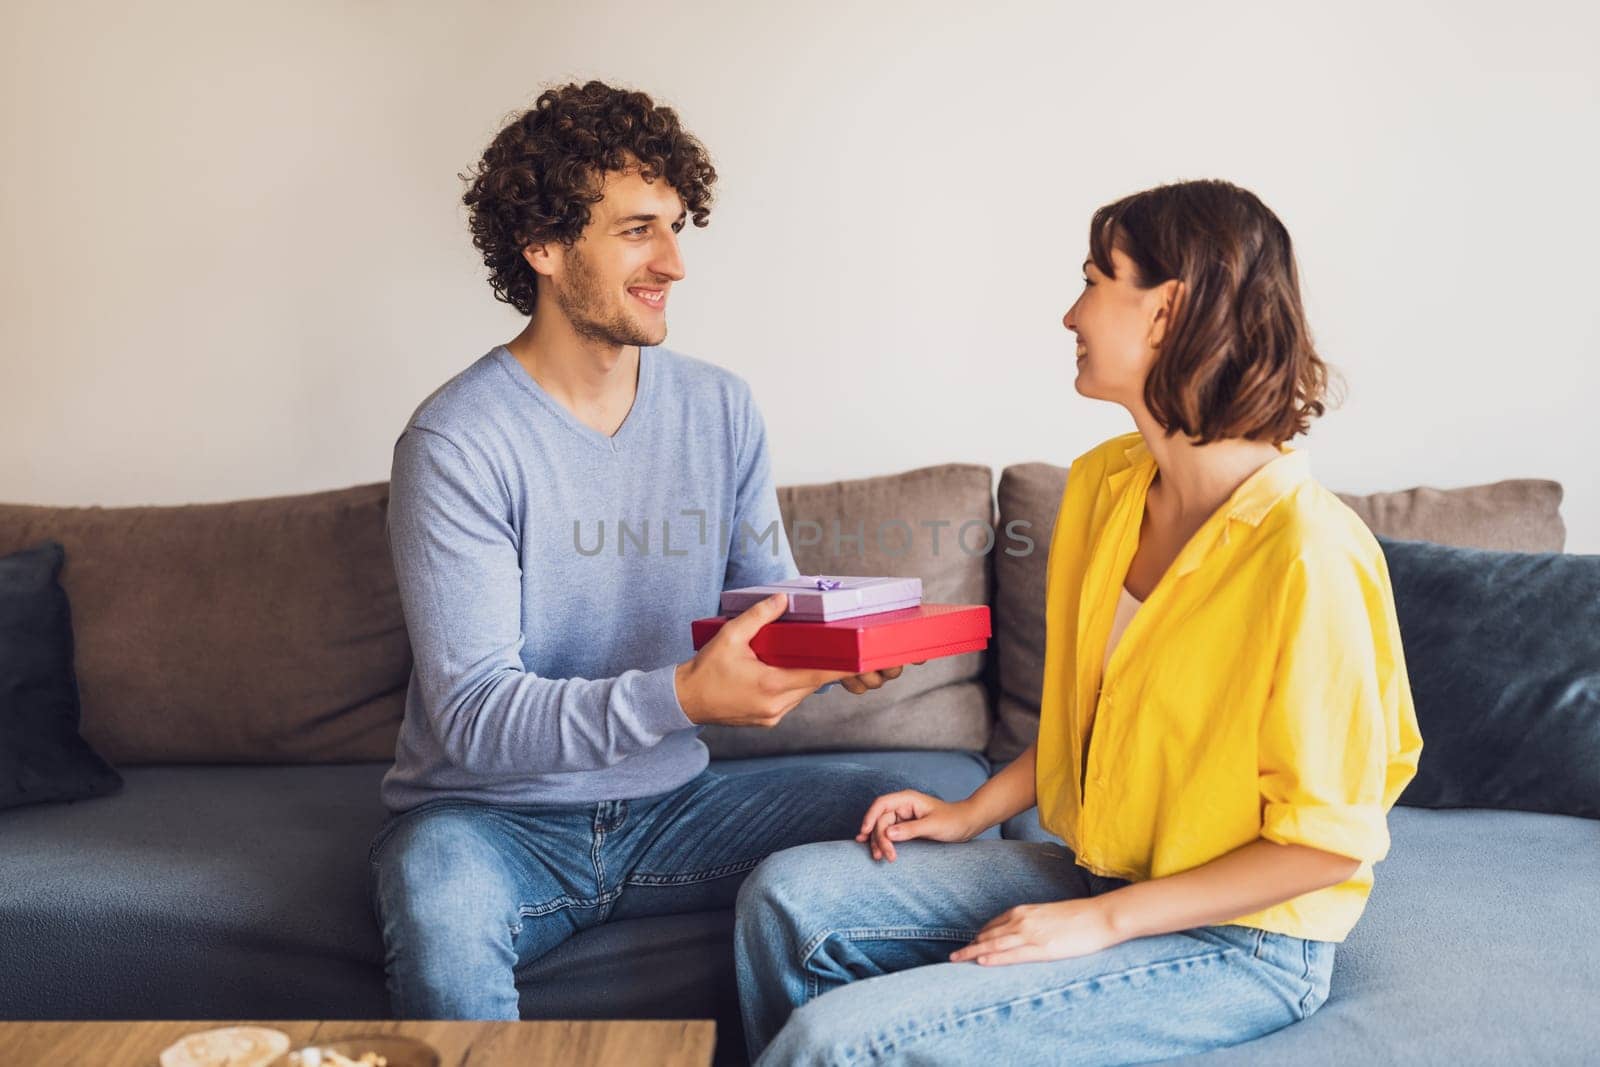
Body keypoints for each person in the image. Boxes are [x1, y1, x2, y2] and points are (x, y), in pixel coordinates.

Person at [734, 179, 1424, 1065]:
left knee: (837, 1044)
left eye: (1098, 278)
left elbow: (1328, 845)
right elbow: (1100, 719)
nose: (1071, 311)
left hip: (1241, 941)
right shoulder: (1105, 485)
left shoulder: (1310, 554)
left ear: (1168, 310)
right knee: (784, 900)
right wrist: (971, 809)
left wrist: (1099, 921)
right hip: (1109, 872)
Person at [369, 80, 915, 1020]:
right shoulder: (457, 442)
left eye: (675, 225)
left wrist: (835, 645)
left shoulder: (719, 408)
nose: (673, 261)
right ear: (542, 248)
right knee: (435, 892)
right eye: (635, 231)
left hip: (675, 811)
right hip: (491, 823)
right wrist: (683, 695)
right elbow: (474, 716)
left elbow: (755, 603)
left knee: (913, 814)